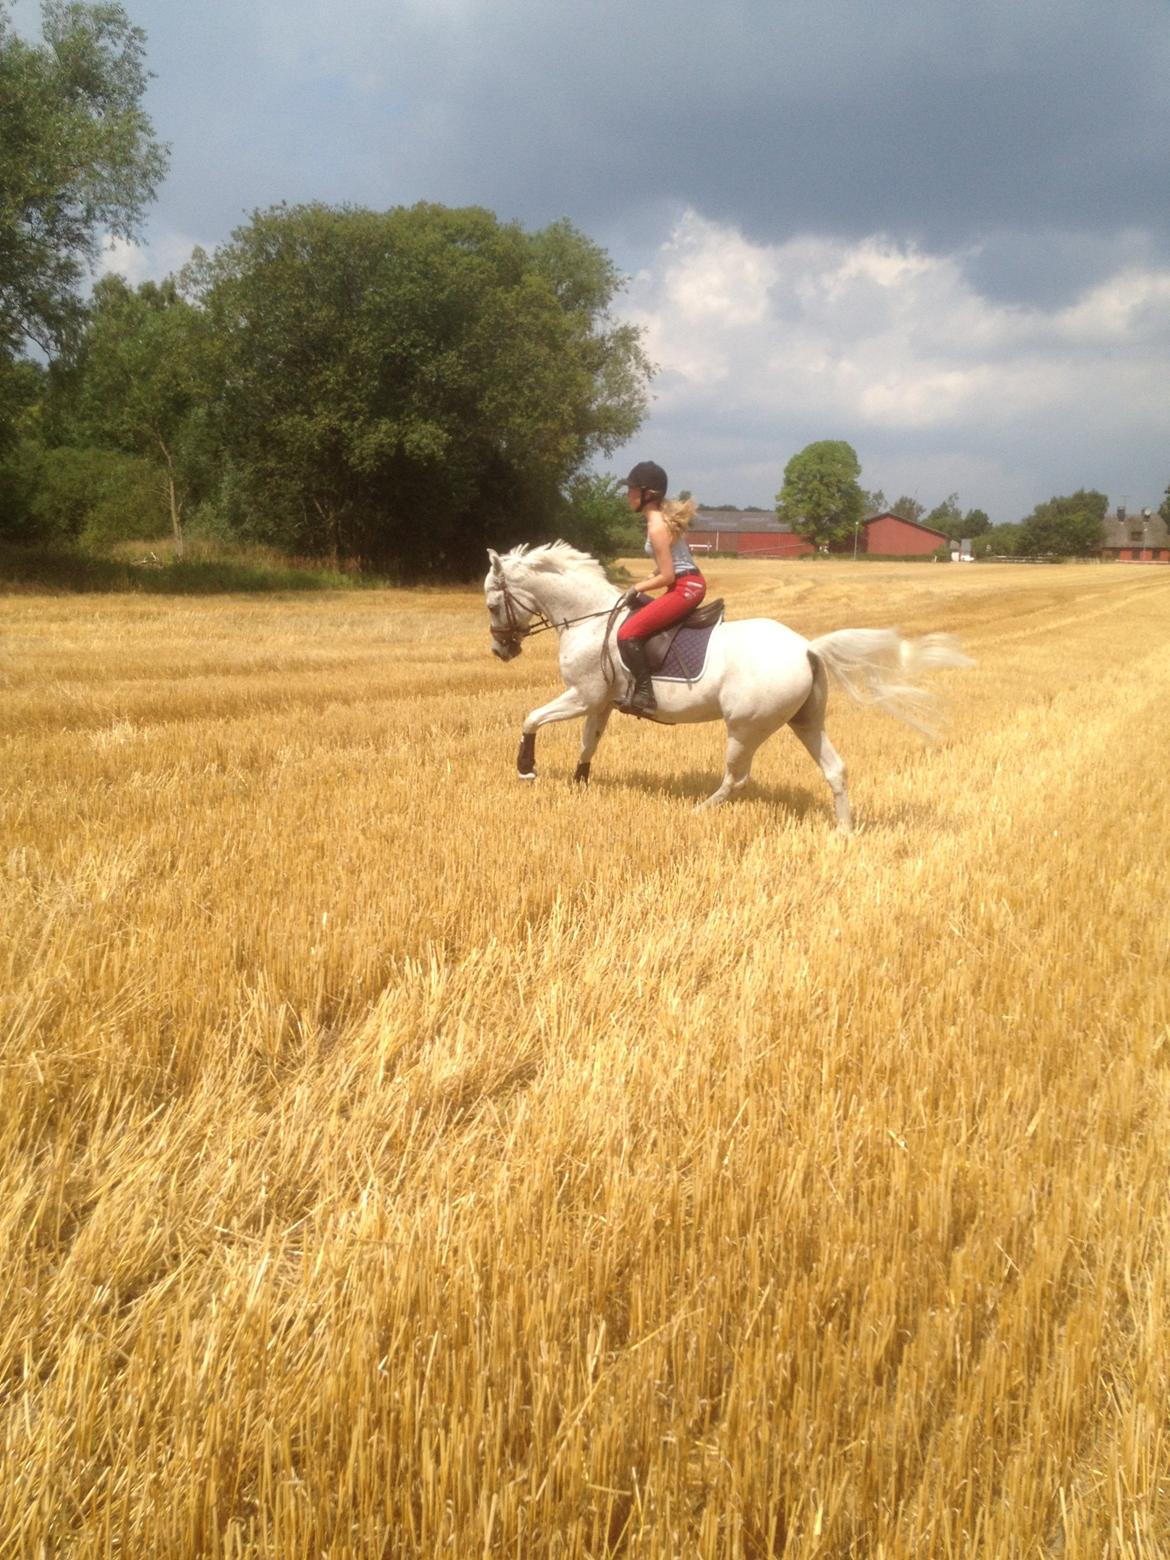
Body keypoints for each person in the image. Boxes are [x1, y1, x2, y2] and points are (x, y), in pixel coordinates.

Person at [617, 461, 706, 715]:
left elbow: (669, 575)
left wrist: (637, 587)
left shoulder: (657, 527)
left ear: (648, 495)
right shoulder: (659, 521)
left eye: (632, 489)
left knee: (627, 633)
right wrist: (650, 576)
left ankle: (645, 695)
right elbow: (669, 563)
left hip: (685, 587)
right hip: (685, 582)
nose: (628, 494)